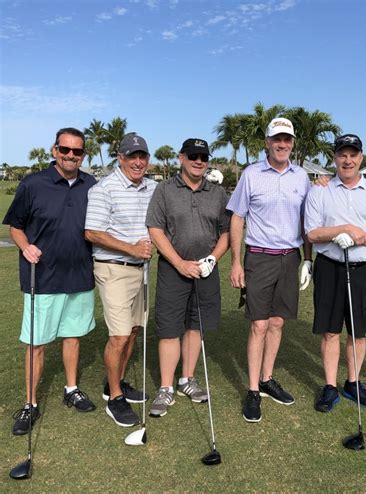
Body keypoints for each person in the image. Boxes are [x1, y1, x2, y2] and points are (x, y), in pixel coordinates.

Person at [3, 127, 97, 436]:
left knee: (73, 336)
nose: (71, 155)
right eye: (65, 149)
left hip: (80, 275)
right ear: (55, 150)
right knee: (36, 343)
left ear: (83, 155)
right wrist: (25, 246)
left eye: (77, 151)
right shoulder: (33, 184)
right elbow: (15, 226)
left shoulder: (91, 185)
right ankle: (30, 403)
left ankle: (71, 389)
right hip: (42, 277)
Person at [227, 118, 313, 423]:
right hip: (259, 258)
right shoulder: (251, 174)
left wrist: (308, 259)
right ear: (267, 142)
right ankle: (253, 389)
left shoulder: (302, 176)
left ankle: (267, 378)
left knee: (277, 322)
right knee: (259, 325)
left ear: (292, 143)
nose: (282, 144)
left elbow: (307, 220)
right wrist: (236, 262)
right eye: (277, 139)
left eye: (287, 139)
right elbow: (237, 218)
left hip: (290, 258)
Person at [304, 134, 366, 413]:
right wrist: (340, 230)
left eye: (353, 155)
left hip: (363, 269)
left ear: (361, 158)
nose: (348, 160)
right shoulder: (320, 190)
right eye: (342, 154)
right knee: (330, 331)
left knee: (358, 332)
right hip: (329, 267)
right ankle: (330, 386)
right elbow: (312, 233)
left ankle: (353, 383)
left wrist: (359, 238)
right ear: (335, 158)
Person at [146, 138, 230, 417]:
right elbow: (155, 229)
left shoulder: (217, 193)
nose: (199, 161)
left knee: (196, 326)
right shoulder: (165, 189)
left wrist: (212, 259)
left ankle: (187, 379)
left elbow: (227, 231)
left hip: (206, 270)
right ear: (181, 157)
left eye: (203, 157)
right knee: (170, 328)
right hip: (173, 269)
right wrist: (179, 263)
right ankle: (166, 387)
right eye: (193, 156)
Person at [85, 133, 157, 427]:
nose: (138, 162)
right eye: (132, 157)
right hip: (113, 268)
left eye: (142, 157)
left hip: (141, 269)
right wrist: (132, 248)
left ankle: (116, 382)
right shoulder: (104, 189)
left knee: (135, 329)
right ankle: (115, 398)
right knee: (119, 335)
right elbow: (92, 232)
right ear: (120, 158)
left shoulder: (153, 187)